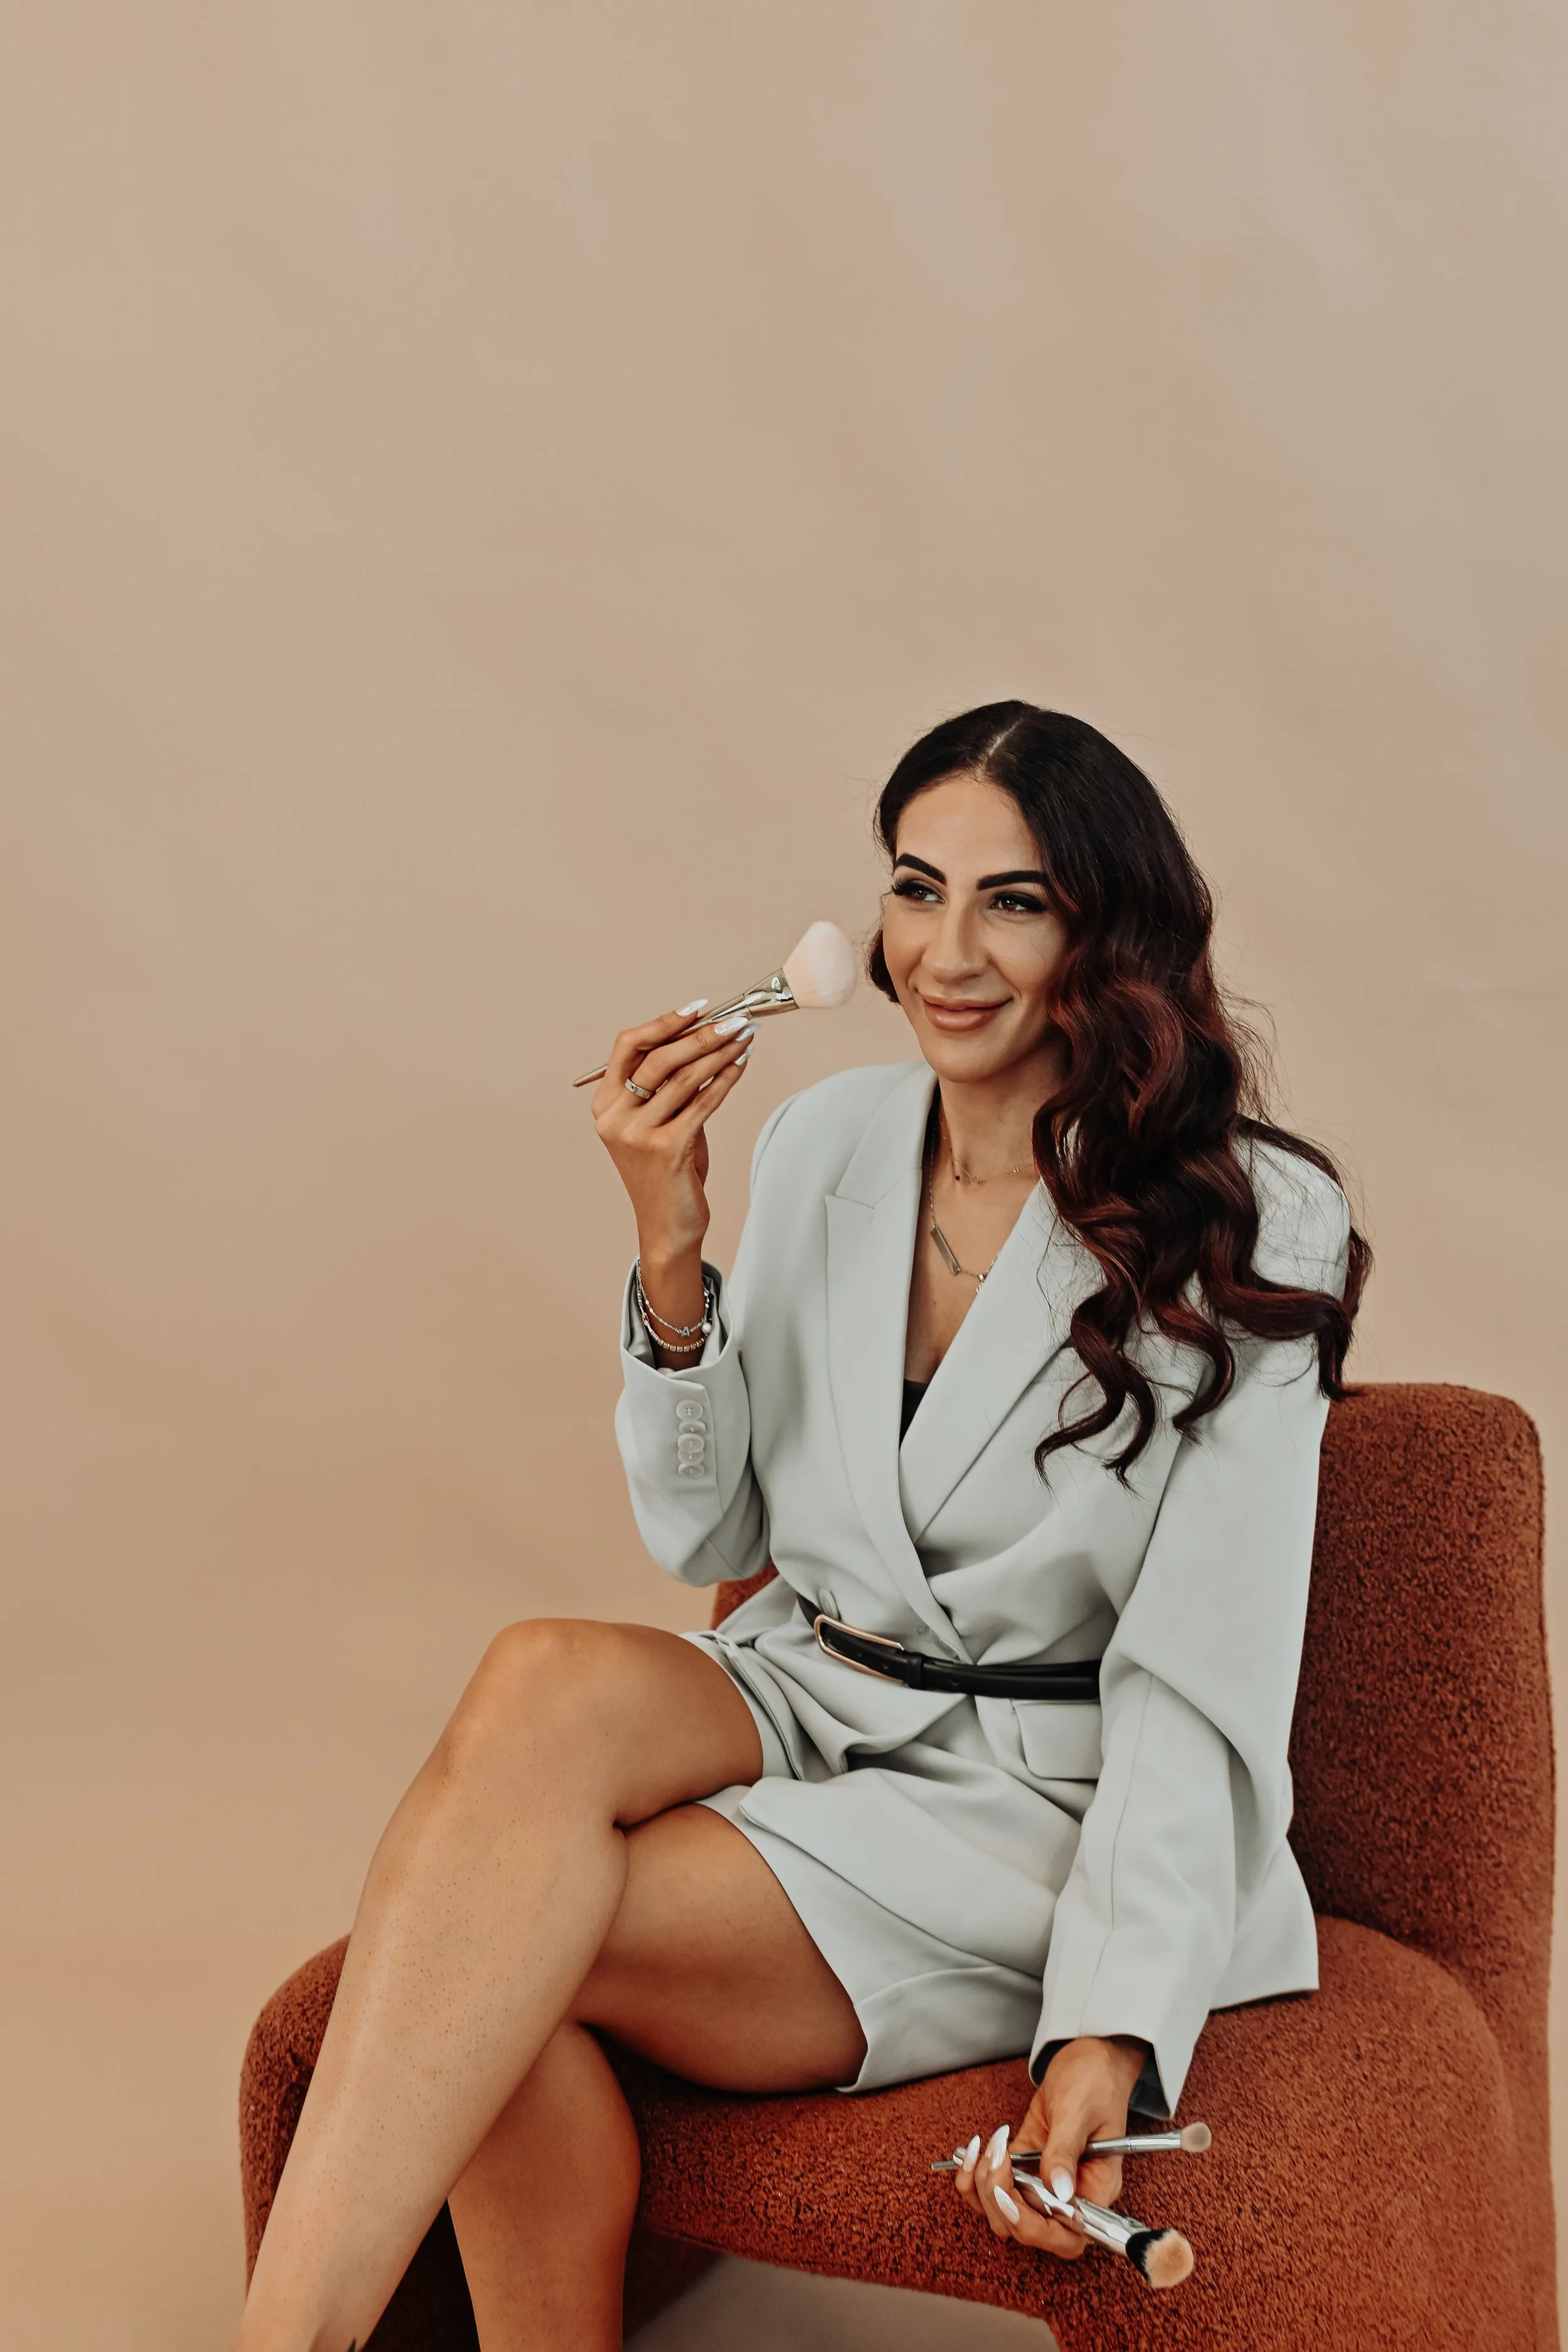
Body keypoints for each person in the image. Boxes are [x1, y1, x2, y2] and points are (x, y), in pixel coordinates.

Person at [236, 703, 1366, 2352]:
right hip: (808, 1687)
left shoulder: (1254, 1216)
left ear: (1105, 931)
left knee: (493, 1956)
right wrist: (670, 1248)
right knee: (540, 1673)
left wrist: (1108, 2029)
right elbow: (715, 1532)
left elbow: (1201, 1673)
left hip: (1030, 1805)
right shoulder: (826, 1140)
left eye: (1014, 901)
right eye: (915, 889)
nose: (945, 954)